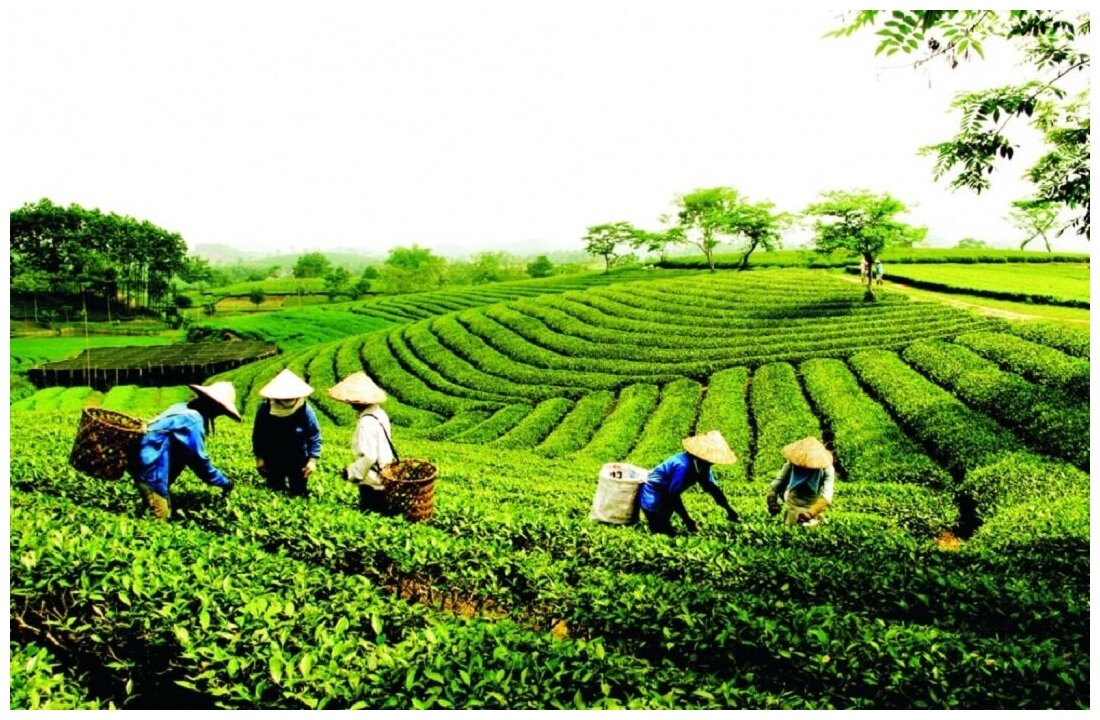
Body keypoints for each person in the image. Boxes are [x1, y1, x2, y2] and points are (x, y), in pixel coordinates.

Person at [128, 381, 241, 519]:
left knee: (155, 506)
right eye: (221, 410)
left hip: (141, 460)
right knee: (159, 515)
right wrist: (224, 482)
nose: (219, 414)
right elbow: (199, 461)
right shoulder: (193, 420)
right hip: (151, 468)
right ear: (213, 405)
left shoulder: (181, 407)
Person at [637, 430, 740, 536]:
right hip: (653, 495)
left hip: (667, 495)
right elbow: (673, 496)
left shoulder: (703, 467)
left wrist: (730, 510)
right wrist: (688, 521)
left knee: (666, 528)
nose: (713, 462)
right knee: (663, 531)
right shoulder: (682, 466)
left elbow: (713, 489)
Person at [327, 371, 396, 513]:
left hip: (372, 479)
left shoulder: (366, 422)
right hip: (387, 472)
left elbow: (369, 456)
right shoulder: (380, 414)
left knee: (371, 513)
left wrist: (351, 472)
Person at [252, 368, 322, 498]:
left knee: (298, 493)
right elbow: (258, 434)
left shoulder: (305, 409)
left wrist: (312, 461)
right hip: (272, 458)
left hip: (298, 459)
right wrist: (259, 458)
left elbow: (314, 435)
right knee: (275, 492)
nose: (290, 399)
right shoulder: (265, 408)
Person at [765, 436, 836, 526]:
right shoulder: (791, 464)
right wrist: (772, 500)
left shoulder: (827, 468)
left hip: (813, 505)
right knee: (792, 529)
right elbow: (777, 484)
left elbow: (827, 496)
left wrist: (810, 513)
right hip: (794, 504)